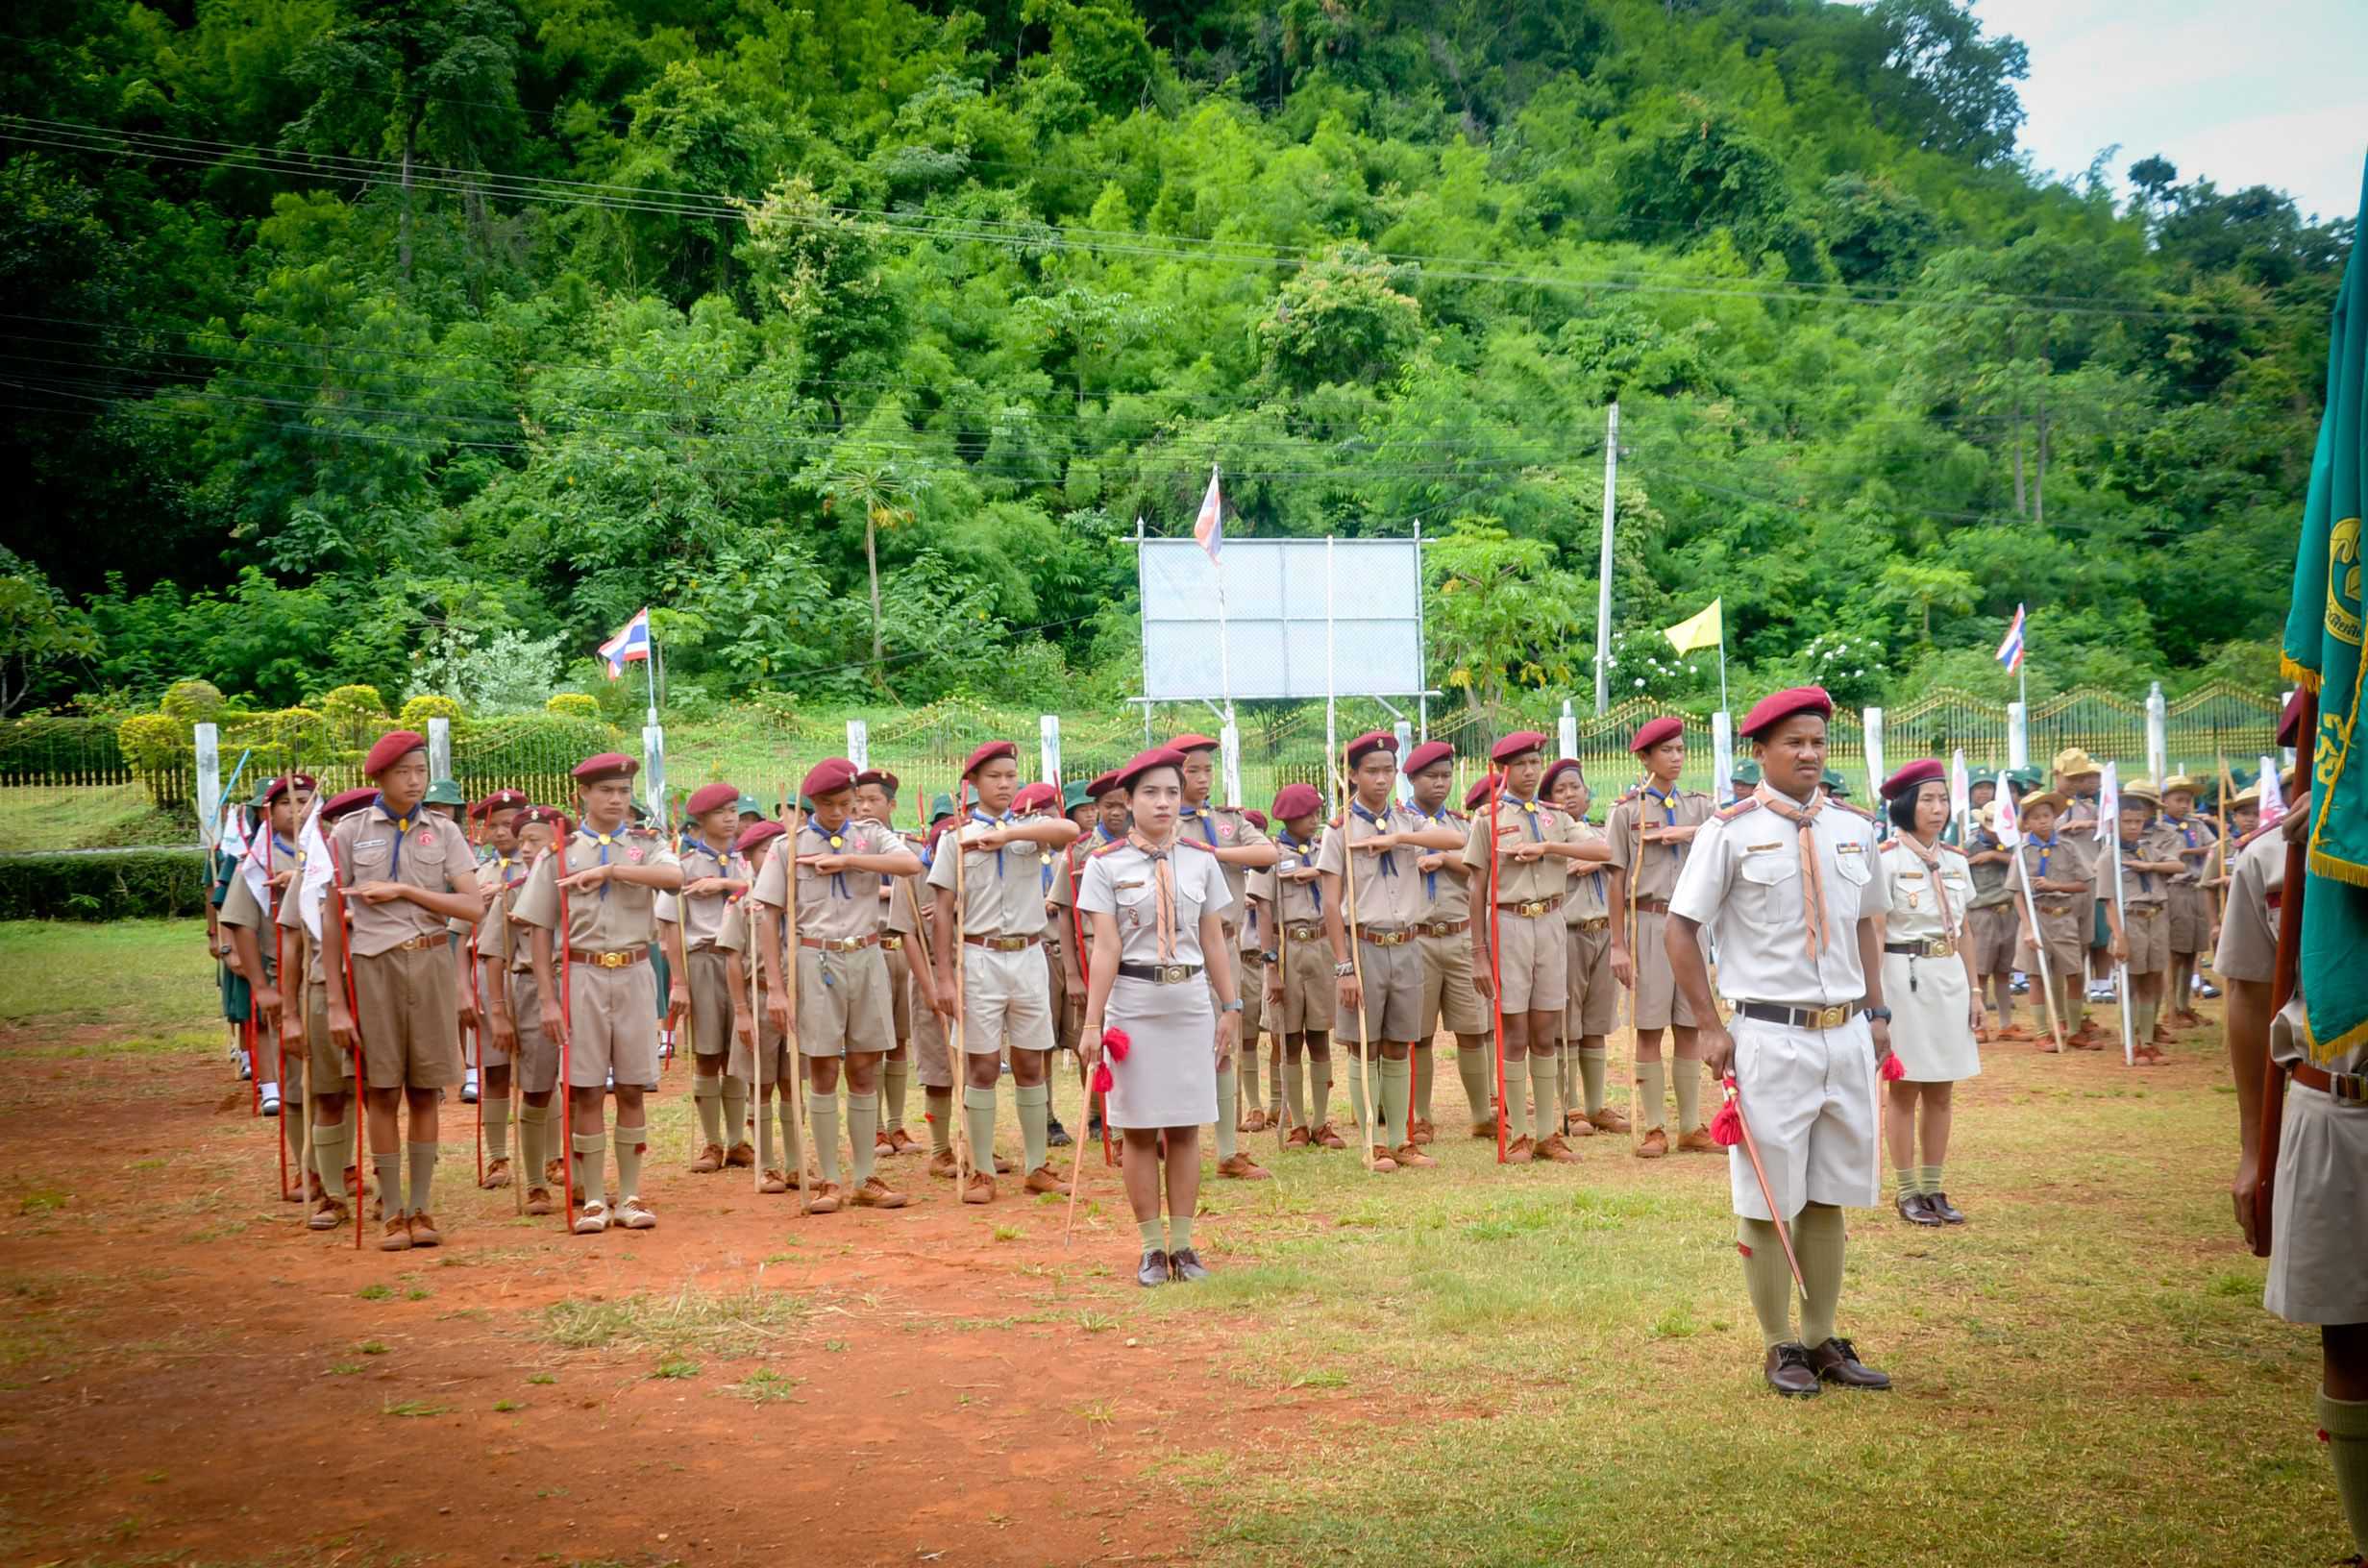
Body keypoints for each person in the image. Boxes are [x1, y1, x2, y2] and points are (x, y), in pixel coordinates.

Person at [1668, 685, 1893, 1398]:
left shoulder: (1853, 828)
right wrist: (1709, 1025)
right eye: (1793, 742)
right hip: (1769, 1034)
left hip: (1844, 1033)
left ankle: (1823, 1337)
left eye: (1818, 742)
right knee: (1768, 1196)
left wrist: (1878, 1010)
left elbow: (1866, 923)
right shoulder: (1729, 831)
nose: (1808, 753)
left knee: (1830, 1192)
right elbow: (1680, 929)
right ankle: (1779, 1344)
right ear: (1761, 751)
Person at [1077, 747, 1240, 1286]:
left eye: (1172, 791)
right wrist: (1093, 1022)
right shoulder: (1105, 865)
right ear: (1128, 800)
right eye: (1150, 792)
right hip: (1135, 1002)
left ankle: (1185, 1246)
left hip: (1188, 1001)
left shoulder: (1201, 860)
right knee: (1140, 1129)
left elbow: (1213, 939)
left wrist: (1230, 1006)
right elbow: (1105, 947)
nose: (1164, 802)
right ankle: (1151, 1247)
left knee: (1186, 1126)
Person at [321, 730, 483, 1251]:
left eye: (420, 771)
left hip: (431, 963)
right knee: (382, 1091)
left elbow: (473, 907)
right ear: (379, 777)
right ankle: (392, 1210)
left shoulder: (444, 831)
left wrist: (407, 890)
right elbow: (331, 922)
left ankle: (421, 1207)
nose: (414, 782)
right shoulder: (348, 833)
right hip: (374, 968)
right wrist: (335, 1004)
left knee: (427, 1090)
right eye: (403, 772)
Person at [516, 752, 683, 1236]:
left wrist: (613, 872)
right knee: (586, 1089)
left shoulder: (646, 845)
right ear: (583, 795)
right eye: (605, 790)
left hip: (634, 972)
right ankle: (592, 1197)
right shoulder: (559, 854)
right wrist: (548, 1000)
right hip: (582, 975)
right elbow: (539, 929)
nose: (616, 799)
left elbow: (675, 879)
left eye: (623, 791)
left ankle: (629, 1195)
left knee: (632, 1086)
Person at [751, 758, 925, 1213]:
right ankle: (829, 1178)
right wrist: (776, 988)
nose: (838, 812)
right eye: (828, 804)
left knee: (865, 1067)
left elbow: (911, 863)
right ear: (811, 803)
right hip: (815, 958)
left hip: (866, 955)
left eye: (846, 803)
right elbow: (769, 918)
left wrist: (848, 859)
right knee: (823, 1068)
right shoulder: (787, 846)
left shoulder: (869, 835)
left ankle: (865, 1176)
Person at [931, 742, 1082, 1203]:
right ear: (974, 783)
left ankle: (1036, 1166)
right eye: (994, 776)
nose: (1003, 784)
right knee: (980, 1065)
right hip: (979, 957)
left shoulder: (1029, 831)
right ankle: (981, 1170)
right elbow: (942, 912)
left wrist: (1009, 835)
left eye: (1011, 776)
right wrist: (944, 977)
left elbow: (1070, 829)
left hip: (1029, 955)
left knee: (1031, 1061)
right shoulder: (954, 839)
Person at [1320, 732, 1465, 1172]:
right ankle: (1371, 1142)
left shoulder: (1408, 822)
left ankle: (1401, 1140)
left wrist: (1399, 839)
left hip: (1406, 944)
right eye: (1371, 771)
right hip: (1363, 944)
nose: (1381, 779)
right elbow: (1331, 903)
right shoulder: (1340, 831)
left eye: (1387, 771)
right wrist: (1344, 967)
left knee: (1400, 1043)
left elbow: (1457, 842)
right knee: (1365, 1045)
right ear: (1352, 775)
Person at [1467, 730, 1607, 1165]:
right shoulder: (1487, 819)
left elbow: (1602, 848)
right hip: (1508, 923)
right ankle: (1520, 1134)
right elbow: (1476, 887)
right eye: (1521, 764)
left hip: (1550, 922)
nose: (1529, 772)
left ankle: (1548, 1132)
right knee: (1515, 1032)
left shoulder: (1555, 817)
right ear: (1504, 770)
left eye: (1535, 763)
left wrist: (1548, 846)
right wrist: (1478, 952)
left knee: (1546, 1031)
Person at [1875, 760, 1983, 1227]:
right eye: (1927, 800)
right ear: (1906, 805)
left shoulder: (1956, 860)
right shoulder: (1886, 860)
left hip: (1948, 977)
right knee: (1905, 1088)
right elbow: (1876, 931)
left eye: (1943, 799)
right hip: (1904, 977)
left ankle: (1935, 1187)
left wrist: (1975, 990)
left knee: (1942, 1088)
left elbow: (1966, 930)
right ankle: (1907, 1191)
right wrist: (1875, 1003)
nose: (1938, 809)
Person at [1167, 733, 1278, 1180]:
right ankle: (1171, 1136)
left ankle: (1228, 1150)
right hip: (1181, 946)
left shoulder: (1228, 821)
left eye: (1207, 770)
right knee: (1178, 1046)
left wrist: (1214, 853)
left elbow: (1268, 853)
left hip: (1226, 943)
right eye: (1191, 770)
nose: (1201, 778)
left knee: (1224, 1042)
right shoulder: (1166, 823)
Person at [1607, 716, 1718, 1158]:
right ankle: (1654, 1126)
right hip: (1648, 923)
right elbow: (1615, 879)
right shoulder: (1627, 811)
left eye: (1680, 750)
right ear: (1646, 758)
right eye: (1666, 751)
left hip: (1690, 923)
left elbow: (1726, 832)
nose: (1676, 758)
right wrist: (1618, 945)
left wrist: (1684, 832)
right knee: (1650, 1026)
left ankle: (1690, 1125)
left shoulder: (1700, 808)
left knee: (1690, 1024)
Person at [277, 784, 378, 1230]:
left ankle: (389, 1193)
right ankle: (332, 1194)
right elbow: (292, 944)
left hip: (381, 988)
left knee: (383, 1095)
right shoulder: (313, 872)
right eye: (346, 824)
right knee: (328, 1095)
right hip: (323, 991)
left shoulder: (394, 871)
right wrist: (289, 1014)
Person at [219, 772, 315, 1177]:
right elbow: (240, 922)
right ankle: (307, 1168)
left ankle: (339, 1165)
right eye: (286, 803)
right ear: (269, 813)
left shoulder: (327, 851)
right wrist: (260, 987)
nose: (297, 810)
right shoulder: (260, 861)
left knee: (334, 1081)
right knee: (295, 1082)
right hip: (283, 979)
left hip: (329, 978)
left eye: (305, 801)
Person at [664, 782, 754, 1174]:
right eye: (721, 812)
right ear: (700, 820)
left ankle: (736, 1141)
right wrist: (679, 982)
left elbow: (767, 891)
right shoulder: (683, 866)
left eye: (733, 810)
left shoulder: (747, 861)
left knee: (737, 1053)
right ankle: (712, 1142)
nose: (731, 818)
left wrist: (726, 883)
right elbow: (670, 925)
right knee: (706, 1053)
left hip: (743, 963)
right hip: (703, 959)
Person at [481, 803, 566, 1213]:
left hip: (579, 982)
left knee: (582, 1085)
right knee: (535, 1085)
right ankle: (535, 1183)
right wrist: (498, 1012)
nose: (526, 849)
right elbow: (494, 954)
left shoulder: (577, 884)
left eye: (536, 840)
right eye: (523, 841)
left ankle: (577, 1174)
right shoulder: (513, 891)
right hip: (532, 988)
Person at [1403, 742, 1488, 1141]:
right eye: (1431, 777)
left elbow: (1479, 871)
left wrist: (1442, 858)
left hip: (1458, 935)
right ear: (1412, 779)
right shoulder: (1399, 824)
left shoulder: (1462, 825)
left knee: (1472, 1028)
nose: (1440, 783)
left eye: (1446, 776)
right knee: (1418, 1034)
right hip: (1416, 939)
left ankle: (1482, 1114)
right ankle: (1420, 1115)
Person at [719, 819, 802, 1193]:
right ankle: (766, 1164)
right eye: (765, 851)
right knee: (762, 1084)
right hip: (762, 998)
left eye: (779, 850)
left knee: (792, 1082)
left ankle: (796, 1164)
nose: (773, 858)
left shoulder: (800, 897)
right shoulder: (742, 903)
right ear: (748, 857)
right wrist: (741, 1011)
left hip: (799, 999)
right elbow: (733, 958)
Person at [1255, 783, 1340, 1148]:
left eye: (1318, 813)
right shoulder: (1271, 854)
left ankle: (1321, 1122)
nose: (1315, 820)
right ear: (1289, 818)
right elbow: (1263, 910)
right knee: (1289, 1040)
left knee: (1319, 1036)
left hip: (1321, 946)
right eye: (1308, 815)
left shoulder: (1324, 850)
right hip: (1288, 949)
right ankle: (1298, 1123)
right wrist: (1270, 966)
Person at [1543, 757, 1624, 1139]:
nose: (1569, 794)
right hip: (1569, 931)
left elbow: (1618, 857)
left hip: (1604, 931)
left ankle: (1595, 1105)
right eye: (1559, 790)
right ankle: (1570, 1105)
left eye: (1575, 786)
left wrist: (1594, 859)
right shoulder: (1547, 835)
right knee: (1567, 1024)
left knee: (1597, 1022)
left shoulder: (1599, 834)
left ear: (1587, 793)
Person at [852, 769, 923, 1158]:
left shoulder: (909, 846)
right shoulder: (849, 845)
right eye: (858, 801)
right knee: (870, 1043)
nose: (864, 808)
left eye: (873, 800)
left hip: (904, 951)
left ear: (891, 804)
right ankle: (876, 1128)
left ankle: (896, 1125)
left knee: (899, 1042)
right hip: (870, 948)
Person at [461, 788, 527, 1186]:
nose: (503, 832)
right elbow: (458, 935)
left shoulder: (539, 867)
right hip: (488, 978)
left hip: (529, 974)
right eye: (495, 826)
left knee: (540, 1073)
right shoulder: (476, 875)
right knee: (495, 1071)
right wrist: (464, 990)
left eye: (509, 824)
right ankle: (497, 1157)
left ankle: (550, 1157)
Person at [2099, 780, 2183, 1064]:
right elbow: (2108, 900)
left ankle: (2147, 1041)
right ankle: (2130, 1041)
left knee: (2151, 981)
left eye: (2138, 821)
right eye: (2127, 822)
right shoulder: (2109, 856)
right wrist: (2119, 936)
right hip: (2129, 921)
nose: (2134, 827)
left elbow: (2178, 865)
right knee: (2131, 983)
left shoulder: (2148, 849)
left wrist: (2149, 866)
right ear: (2115, 823)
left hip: (2155, 919)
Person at [2012, 790, 2099, 1051]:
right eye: (2035, 817)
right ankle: (2042, 1032)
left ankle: (2073, 1030)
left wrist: (2055, 885)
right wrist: (2028, 929)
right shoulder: (2021, 852)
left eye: (2047, 815)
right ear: (2026, 823)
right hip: (2035, 918)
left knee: (2074, 974)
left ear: (2054, 818)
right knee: (2036, 977)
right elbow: (2017, 894)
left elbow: (2083, 884)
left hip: (2064, 918)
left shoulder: (2068, 848)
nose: (2042, 821)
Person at [2157, 774, 2220, 1032]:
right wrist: (2192, 852)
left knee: (2192, 951)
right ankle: (2170, 1008)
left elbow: (2215, 847)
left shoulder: (2196, 824)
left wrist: (2191, 851)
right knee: (2175, 951)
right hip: (2176, 889)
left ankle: (2184, 1006)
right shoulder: (2161, 828)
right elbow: (2168, 857)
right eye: (2178, 800)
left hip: (2197, 889)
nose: (2184, 805)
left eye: (2188, 800)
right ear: (2164, 801)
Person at [1962, 802, 2025, 1041]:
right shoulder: (1970, 846)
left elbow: (2022, 863)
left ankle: (2006, 1024)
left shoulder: (2012, 845)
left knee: (2003, 971)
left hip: (2008, 912)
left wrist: (1994, 855)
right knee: (1980, 972)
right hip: (1982, 913)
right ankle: (1978, 1024)